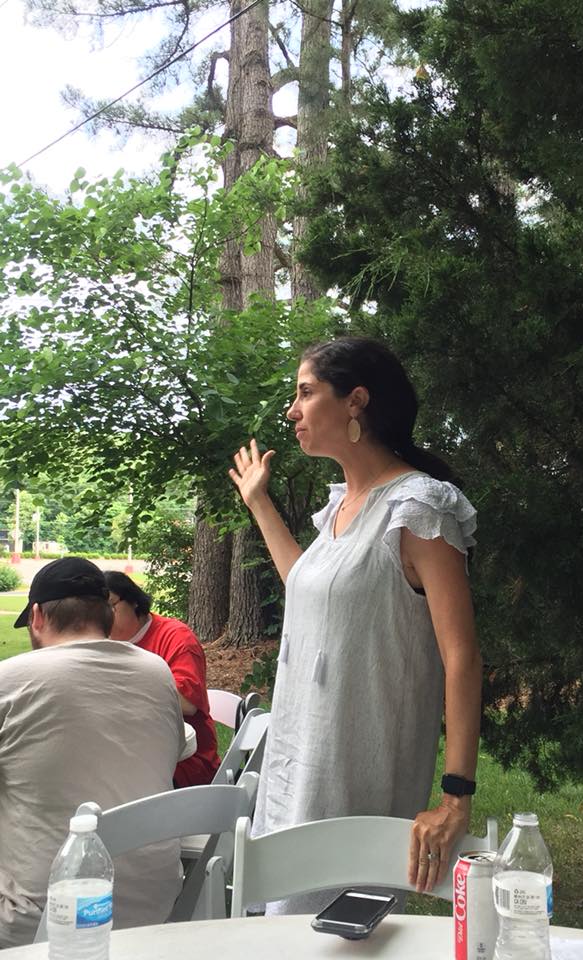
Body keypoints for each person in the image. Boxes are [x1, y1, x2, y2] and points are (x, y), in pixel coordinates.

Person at [229, 336, 483, 914]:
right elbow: (310, 587)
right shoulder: (344, 505)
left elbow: (461, 655)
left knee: (337, 936)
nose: (292, 411)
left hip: (356, 773)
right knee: (283, 931)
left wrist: (456, 798)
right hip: (298, 759)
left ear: (355, 402)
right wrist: (260, 503)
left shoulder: (418, 507)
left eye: (306, 392)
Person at [0, 557, 186, 949]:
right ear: (106, 614)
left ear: (37, 616)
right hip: (152, 908)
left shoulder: (11, 680)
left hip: (41, 919)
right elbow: (175, 751)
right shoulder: (158, 672)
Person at [104, 572, 220, 788]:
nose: (103, 617)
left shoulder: (176, 637)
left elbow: (187, 704)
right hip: (131, 752)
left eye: (110, 606)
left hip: (184, 762)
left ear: (135, 602)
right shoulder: (102, 643)